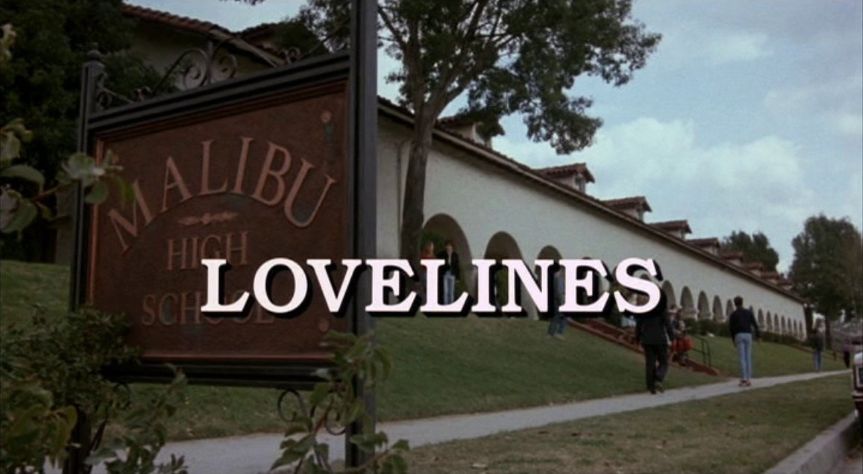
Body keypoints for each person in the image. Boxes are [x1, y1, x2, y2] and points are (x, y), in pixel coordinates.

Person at [634, 293, 674, 394]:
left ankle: (651, 387)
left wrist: (637, 338)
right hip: (660, 339)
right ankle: (658, 377)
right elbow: (668, 325)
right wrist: (672, 337)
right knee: (664, 362)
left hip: (647, 340)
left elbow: (638, 326)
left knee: (650, 363)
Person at [728, 296, 760, 387]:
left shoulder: (733, 315)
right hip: (748, 335)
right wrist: (758, 336)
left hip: (739, 335)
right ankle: (748, 379)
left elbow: (731, 328)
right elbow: (755, 324)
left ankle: (743, 379)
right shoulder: (748, 312)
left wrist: (733, 339)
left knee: (742, 358)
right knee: (748, 357)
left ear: (735, 304)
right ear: (742, 302)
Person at [436, 240, 460, 305]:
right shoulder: (442, 254)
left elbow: (457, 266)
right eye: (447, 246)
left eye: (449, 246)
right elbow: (439, 261)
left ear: (452, 247)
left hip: (452, 274)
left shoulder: (455, 255)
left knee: (451, 291)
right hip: (445, 274)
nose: (448, 247)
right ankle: (446, 304)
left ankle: (451, 304)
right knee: (445, 291)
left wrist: (458, 277)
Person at [546, 268, 566, 339]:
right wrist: (562, 302)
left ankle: (552, 333)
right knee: (559, 317)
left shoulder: (556, 276)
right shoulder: (560, 278)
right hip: (559, 300)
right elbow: (560, 292)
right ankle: (557, 333)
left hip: (556, 299)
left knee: (557, 317)